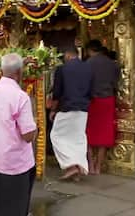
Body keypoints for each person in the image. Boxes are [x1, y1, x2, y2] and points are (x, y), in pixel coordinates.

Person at [0, 53, 38, 216]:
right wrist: (35, 127)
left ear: (1, 71)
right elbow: (27, 136)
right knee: (15, 207)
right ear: (19, 73)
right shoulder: (21, 97)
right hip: (15, 163)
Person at [50, 48, 93, 181]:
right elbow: (92, 89)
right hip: (83, 107)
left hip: (67, 106)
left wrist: (53, 109)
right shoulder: (88, 68)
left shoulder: (62, 69)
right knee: (78, 138)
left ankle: (71, 166)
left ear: (68, 56)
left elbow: (57, 92)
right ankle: (78, 167)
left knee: (56, 136)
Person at [86, 40, 119, 175]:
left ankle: (91, 165)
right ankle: (99, 167)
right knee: (104, 133)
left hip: (92, 101)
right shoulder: (112, 64)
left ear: (89, 50)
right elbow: (116, 82)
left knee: (88, 133)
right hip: (108, 100)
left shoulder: (88, 64)